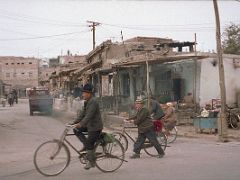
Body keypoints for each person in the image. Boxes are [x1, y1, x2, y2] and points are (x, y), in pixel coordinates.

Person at [71, 84, 103, 170]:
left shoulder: (94, 102)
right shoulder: (87, 102)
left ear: (89, 94)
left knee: (89, 144)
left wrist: (81, 123)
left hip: (95, 127)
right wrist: (74, 122)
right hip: (89, 126)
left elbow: (89, 116)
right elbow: (82, 114)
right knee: (76, 129)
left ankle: (91, 162)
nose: (83, 95)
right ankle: (86, 145)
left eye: (84, 93)